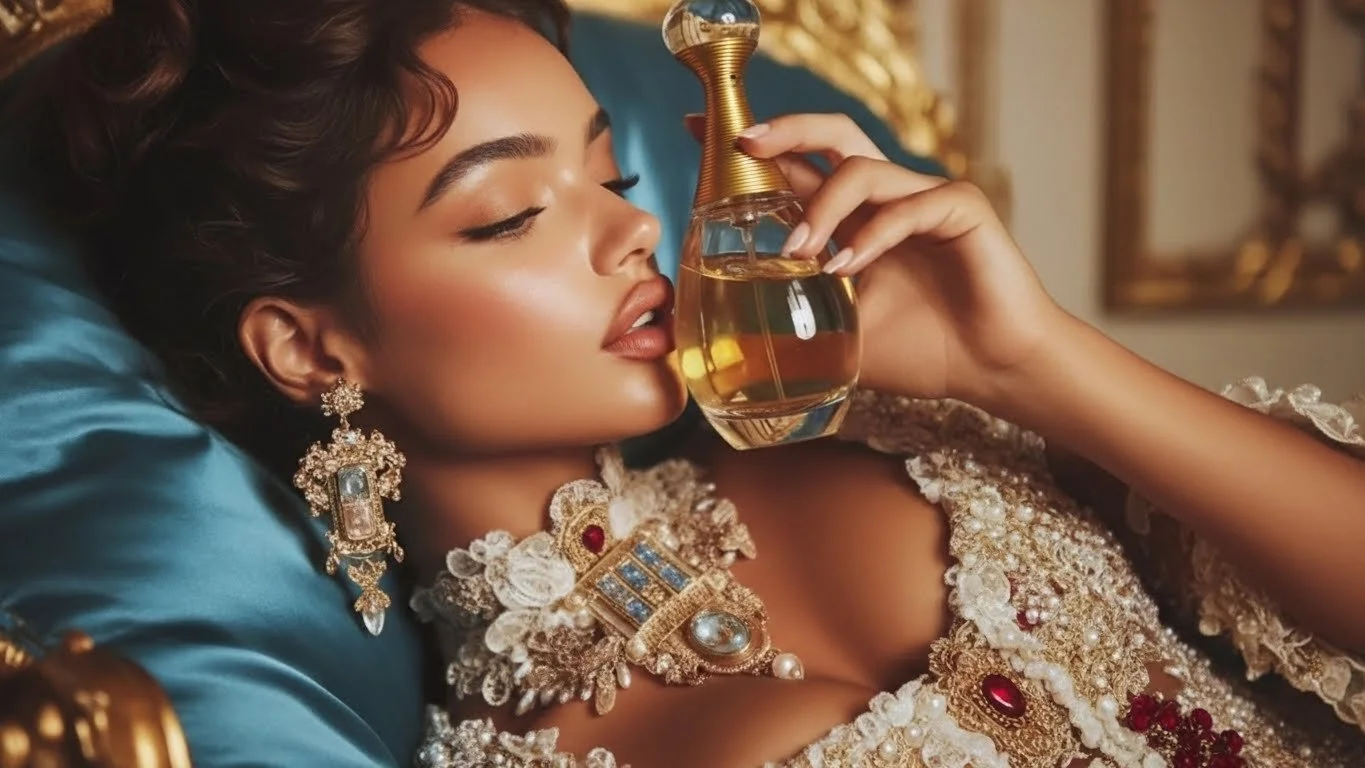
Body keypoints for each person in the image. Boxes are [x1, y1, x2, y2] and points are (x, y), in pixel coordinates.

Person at [27, 0, 1365, 765]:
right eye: (508, 215)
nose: (630, 231)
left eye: (610, 176)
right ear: (314, 350)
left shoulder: (916, 427)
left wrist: (1029, 363)